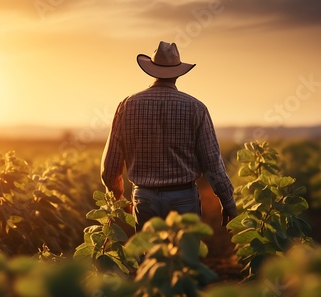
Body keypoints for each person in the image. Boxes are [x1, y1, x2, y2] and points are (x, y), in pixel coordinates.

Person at [101, 41, 237, 231]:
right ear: (178, 72)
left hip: (144, 198)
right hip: (183, 198)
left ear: (152, 70)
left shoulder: (127, 105)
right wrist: (227, 201)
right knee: (184, 257)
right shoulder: (195, 107)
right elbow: (212, 162)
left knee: (149, 258)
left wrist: (117, 196)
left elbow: (111, 165)